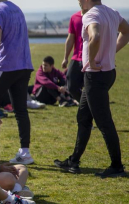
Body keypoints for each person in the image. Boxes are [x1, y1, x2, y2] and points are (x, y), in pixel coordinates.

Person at [54, 0, 129, 178]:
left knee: (104, 122)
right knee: (83, 117)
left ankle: (117, 166)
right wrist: (112, 52)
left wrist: (93, 60)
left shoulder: (91, 15)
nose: (78, 1)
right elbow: (126, 31)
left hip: (95, 76)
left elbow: (95, 36)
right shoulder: (112, 12)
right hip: (108, 73)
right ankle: (74, 161)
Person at [0, 0, 34, 165]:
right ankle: (25, 152)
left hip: (5, 66)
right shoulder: (17, 9)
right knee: (21, 110)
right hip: (24, 65)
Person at [62, 8, 88, 103]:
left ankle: (89, 106)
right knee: (71, 86)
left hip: (91, 58)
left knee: (91, 88)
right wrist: (65, 57)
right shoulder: (74, 17)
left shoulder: (96, 16)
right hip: (76, 58)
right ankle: (85, 105)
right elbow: (70, 38)